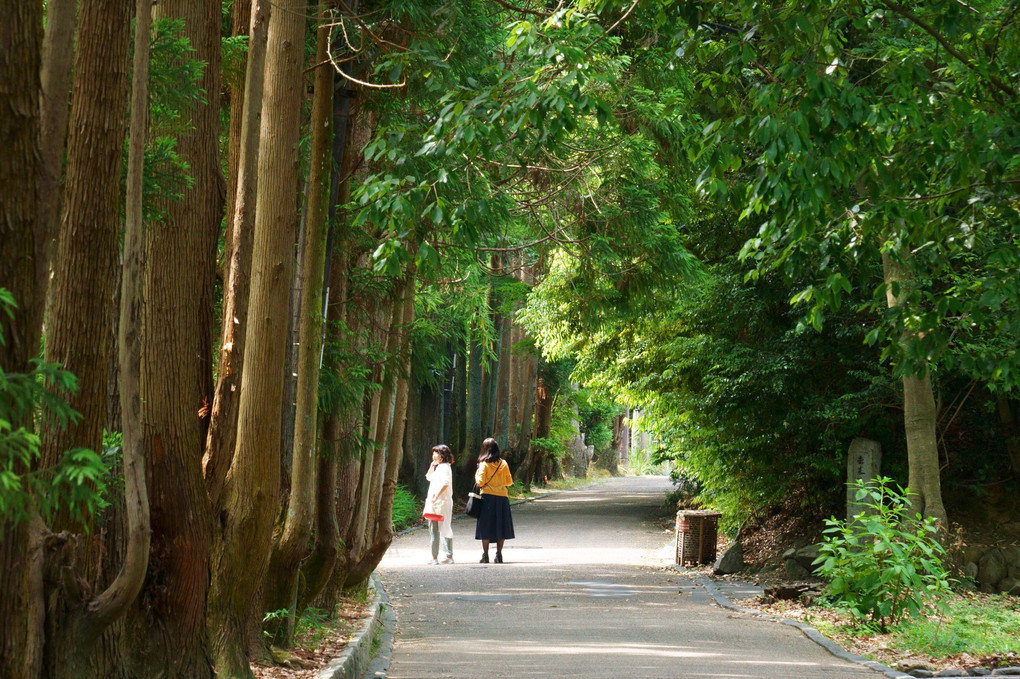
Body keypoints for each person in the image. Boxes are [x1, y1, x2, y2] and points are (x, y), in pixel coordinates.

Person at [474, 437, 515, 563]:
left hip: (487, 498)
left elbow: (480, 482)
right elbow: (509, 482)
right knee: (500, 526)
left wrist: (476, 473)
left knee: (486, 527)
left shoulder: (484, 464)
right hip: (502, 498)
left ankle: (485, 555)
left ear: (484, 449)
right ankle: (499, 555)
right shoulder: (504, 463)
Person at [424, 444, 454, 564]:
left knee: (440, 528)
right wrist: (432, 465)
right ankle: (440, 556)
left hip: (441, 502)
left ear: (442, 455)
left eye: (436, 453)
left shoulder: (444, 467)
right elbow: (428, 477)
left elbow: (445, 483)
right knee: (438, 528)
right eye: (433, 453)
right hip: (436, 502)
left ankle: (443, 556)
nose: (434, 455)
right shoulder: (440, 467)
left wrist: (436, 495)